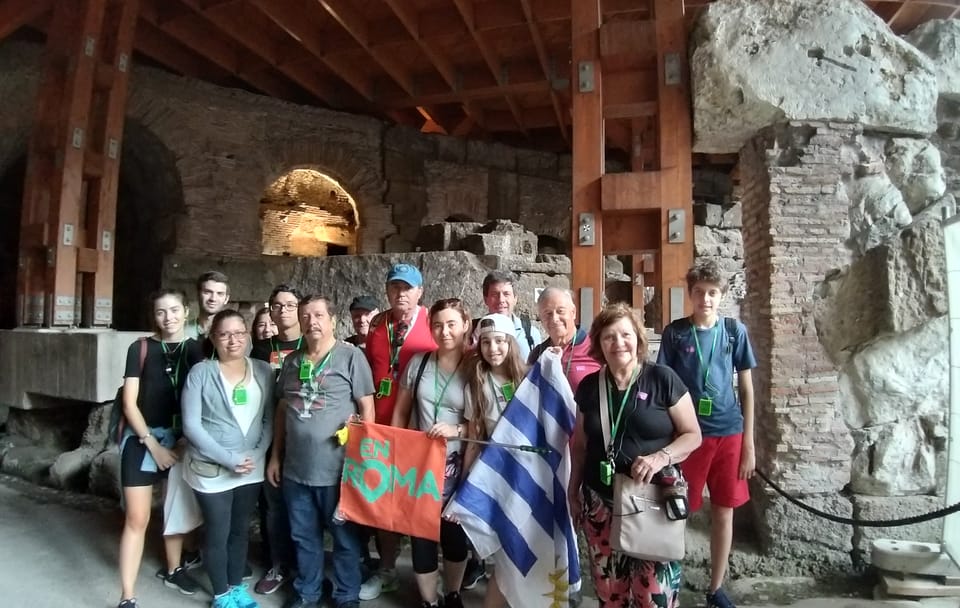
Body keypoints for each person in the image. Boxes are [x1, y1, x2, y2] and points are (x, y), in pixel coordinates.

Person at [569, 303, 702, 608]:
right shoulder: (590, 387)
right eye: (609, 337)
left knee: (652, 594)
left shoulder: (662, 379)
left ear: (638, 339)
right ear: (599, 343)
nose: (618, 343)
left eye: (625, 335)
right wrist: (572, 489)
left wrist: (660, 457)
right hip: (600, 501)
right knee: (609, 589)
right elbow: (580, 444)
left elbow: (693, 435)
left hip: (651, 499)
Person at [656, 261, 757, 608]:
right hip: (689, 435)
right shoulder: (675, 333)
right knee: (678, 510)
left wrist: (749, 445)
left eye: (713, 293)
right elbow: (664, 387)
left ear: (721, 295)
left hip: (729, 433)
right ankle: (670, 581)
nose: (706, 299)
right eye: (699, 293)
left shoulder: (733, 331)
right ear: (690, 294)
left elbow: (747, 389)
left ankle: (716, 588)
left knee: (724, 510)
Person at [267, 295, 375, 608]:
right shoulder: (292, 361)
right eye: (306, 316)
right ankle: (307, 592)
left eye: (318, 315)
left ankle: (345, 594)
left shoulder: (350, 357)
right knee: (303, 536)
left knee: (345, 538)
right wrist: (276, 455)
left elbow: (368, 408)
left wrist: (362, 459)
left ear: (332, 320)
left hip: (338, 470)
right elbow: (282, 409)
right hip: (295, 470)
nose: (312, 322)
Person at [116, 289, 205, 608]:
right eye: (160, 312)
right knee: (137, 518)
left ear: (186, 311)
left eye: (174, 310)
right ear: (153, 316)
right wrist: (152, 445)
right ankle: (127, 595)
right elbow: (130, 403)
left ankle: (173, 569)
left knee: (175, 512)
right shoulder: (139, 348)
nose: (168, 318)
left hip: (182, 440)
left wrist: (182, 441)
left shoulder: (196, 349)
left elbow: (202, 398)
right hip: (142, 440)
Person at [181, 310, 276, 608]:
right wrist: (228, 459)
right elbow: (191, 426)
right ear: (213, 338)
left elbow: (269, 420)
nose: (232, 340)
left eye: (238, 333)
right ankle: (221, 594)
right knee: (218, 531)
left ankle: (236, 588)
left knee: (240, 530)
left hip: (251, 467)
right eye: (224, 334)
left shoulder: (262, 370)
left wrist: (254, 455)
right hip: (212, 468)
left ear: (248, 336)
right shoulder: (201, 372)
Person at [361, 263, 437, 600]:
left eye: (408, 288)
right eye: (395, 287)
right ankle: (387, 569)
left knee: (422, 504)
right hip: (380, 428)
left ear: (420, 291)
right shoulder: (377, 326)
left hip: (421, 430)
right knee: (383, 504)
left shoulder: (433, 324)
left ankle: (430, 579)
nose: (400, 293)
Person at [389, 299, 472, 608]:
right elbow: (401, 411)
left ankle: (452, 594)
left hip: (460, 464)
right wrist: (396, 452)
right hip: (420, 463)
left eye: (451, 324)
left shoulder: (476, 367)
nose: (444, 331)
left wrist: (458, 430)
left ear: (466, 324)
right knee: (420, 533)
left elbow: (485, 424)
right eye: (437, 325)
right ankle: (428, 600)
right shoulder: (419, 363)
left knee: (454, 534)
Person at [461, 313, 529, 607]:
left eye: (499, 341)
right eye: (486, 342)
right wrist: (465, 483)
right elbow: (475, 437)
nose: (493, 349)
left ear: (510, 342)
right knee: (503, 551)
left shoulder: (529, 379)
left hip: (529, 474)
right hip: (498, 472)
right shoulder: (476, 383)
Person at [250, 285, 304, 596]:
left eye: (289, 304)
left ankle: (304, 567)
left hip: (305, 437)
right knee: (273, 506)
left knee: (304, 507)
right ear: (269, 310)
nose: (283, 310)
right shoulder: (260, 349)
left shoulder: (309, 344)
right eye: (277, 305)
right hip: (269, 436)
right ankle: (277, 564)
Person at [527, 287, 600, 393]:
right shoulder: (537, 354)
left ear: (573, 312)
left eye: (560, 311)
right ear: (540, 318)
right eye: (548, 313)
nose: (555, 319)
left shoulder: (596, 347)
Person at [472, 271, 541, 362]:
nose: (501, 300)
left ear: (515, 299)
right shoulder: (474, 332)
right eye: (495, 294)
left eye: (506, 294)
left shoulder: (531, 334)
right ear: (485, 299)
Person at [185, 271, 230, 341]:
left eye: (220, 294)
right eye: (207, 292)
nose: (213, 299)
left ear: (226, 299)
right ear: (198, 295)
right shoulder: (181, 331)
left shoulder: (235, 335)